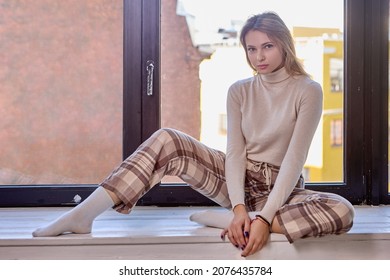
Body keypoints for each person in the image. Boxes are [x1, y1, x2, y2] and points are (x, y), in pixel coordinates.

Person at [32, 11, 354, 257]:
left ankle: (233, 219)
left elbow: (294, 161)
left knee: (343, 210)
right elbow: (235, 152)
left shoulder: (308, 90)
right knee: (167, 138)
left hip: (281, 190)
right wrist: (239, 207)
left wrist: (264, 219)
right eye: (251, 48)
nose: (259, 57)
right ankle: (81, 215)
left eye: (267, 46)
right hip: (237, 182)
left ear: (284, 44)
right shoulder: (239, 91)